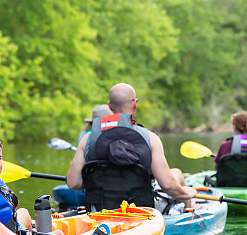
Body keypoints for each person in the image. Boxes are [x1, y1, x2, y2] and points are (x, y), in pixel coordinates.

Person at [66, 83, 196, 211]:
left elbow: (73, 183)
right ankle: (189, 208)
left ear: (110, 106)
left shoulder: (87, 140)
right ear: (135, 104)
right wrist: (187, 194)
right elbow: (168, 186)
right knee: (176, 174)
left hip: (99, 211)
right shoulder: (150, 139)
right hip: (141, 213)